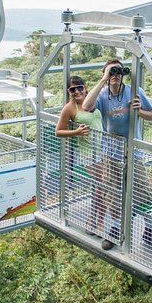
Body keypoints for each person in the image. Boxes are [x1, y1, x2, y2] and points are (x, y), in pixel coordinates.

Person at [83, 59, 152, 250]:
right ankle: (116, 231)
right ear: (105, 73)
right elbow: (86, 106)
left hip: (133, 151)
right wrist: (103, 79)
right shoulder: (102, 95)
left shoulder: (134, 91)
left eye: (118, 72)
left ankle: (150, 230)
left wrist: (139, 111)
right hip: (111, 152)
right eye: (112, 72)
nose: (116, 75)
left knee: (143, 191)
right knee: (113, 192)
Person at [56, 75, 105, 235]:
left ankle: (96, 220)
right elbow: (59, 131)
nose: (77, 91)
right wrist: (76, 132)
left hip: (103, 149)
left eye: (80, 88)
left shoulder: (94, 100)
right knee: (102, 185)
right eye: (72, 89)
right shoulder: (70, 108)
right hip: (88, 153)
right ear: (68, 92)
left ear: (85, 87)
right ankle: (96, 221)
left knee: (102, 186)